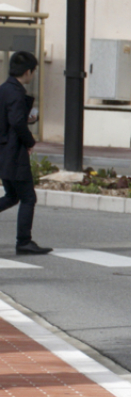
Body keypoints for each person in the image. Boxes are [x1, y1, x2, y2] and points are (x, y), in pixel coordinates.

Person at [0, 51, 51, 254]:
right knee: (28, 197)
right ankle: (24, 241)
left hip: (3, 152)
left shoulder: (4, 89)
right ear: (28, 71)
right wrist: (30, 141)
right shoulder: (16, 92)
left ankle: (24, 241)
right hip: (14, 152)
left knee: (12, 195)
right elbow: (16, 122)